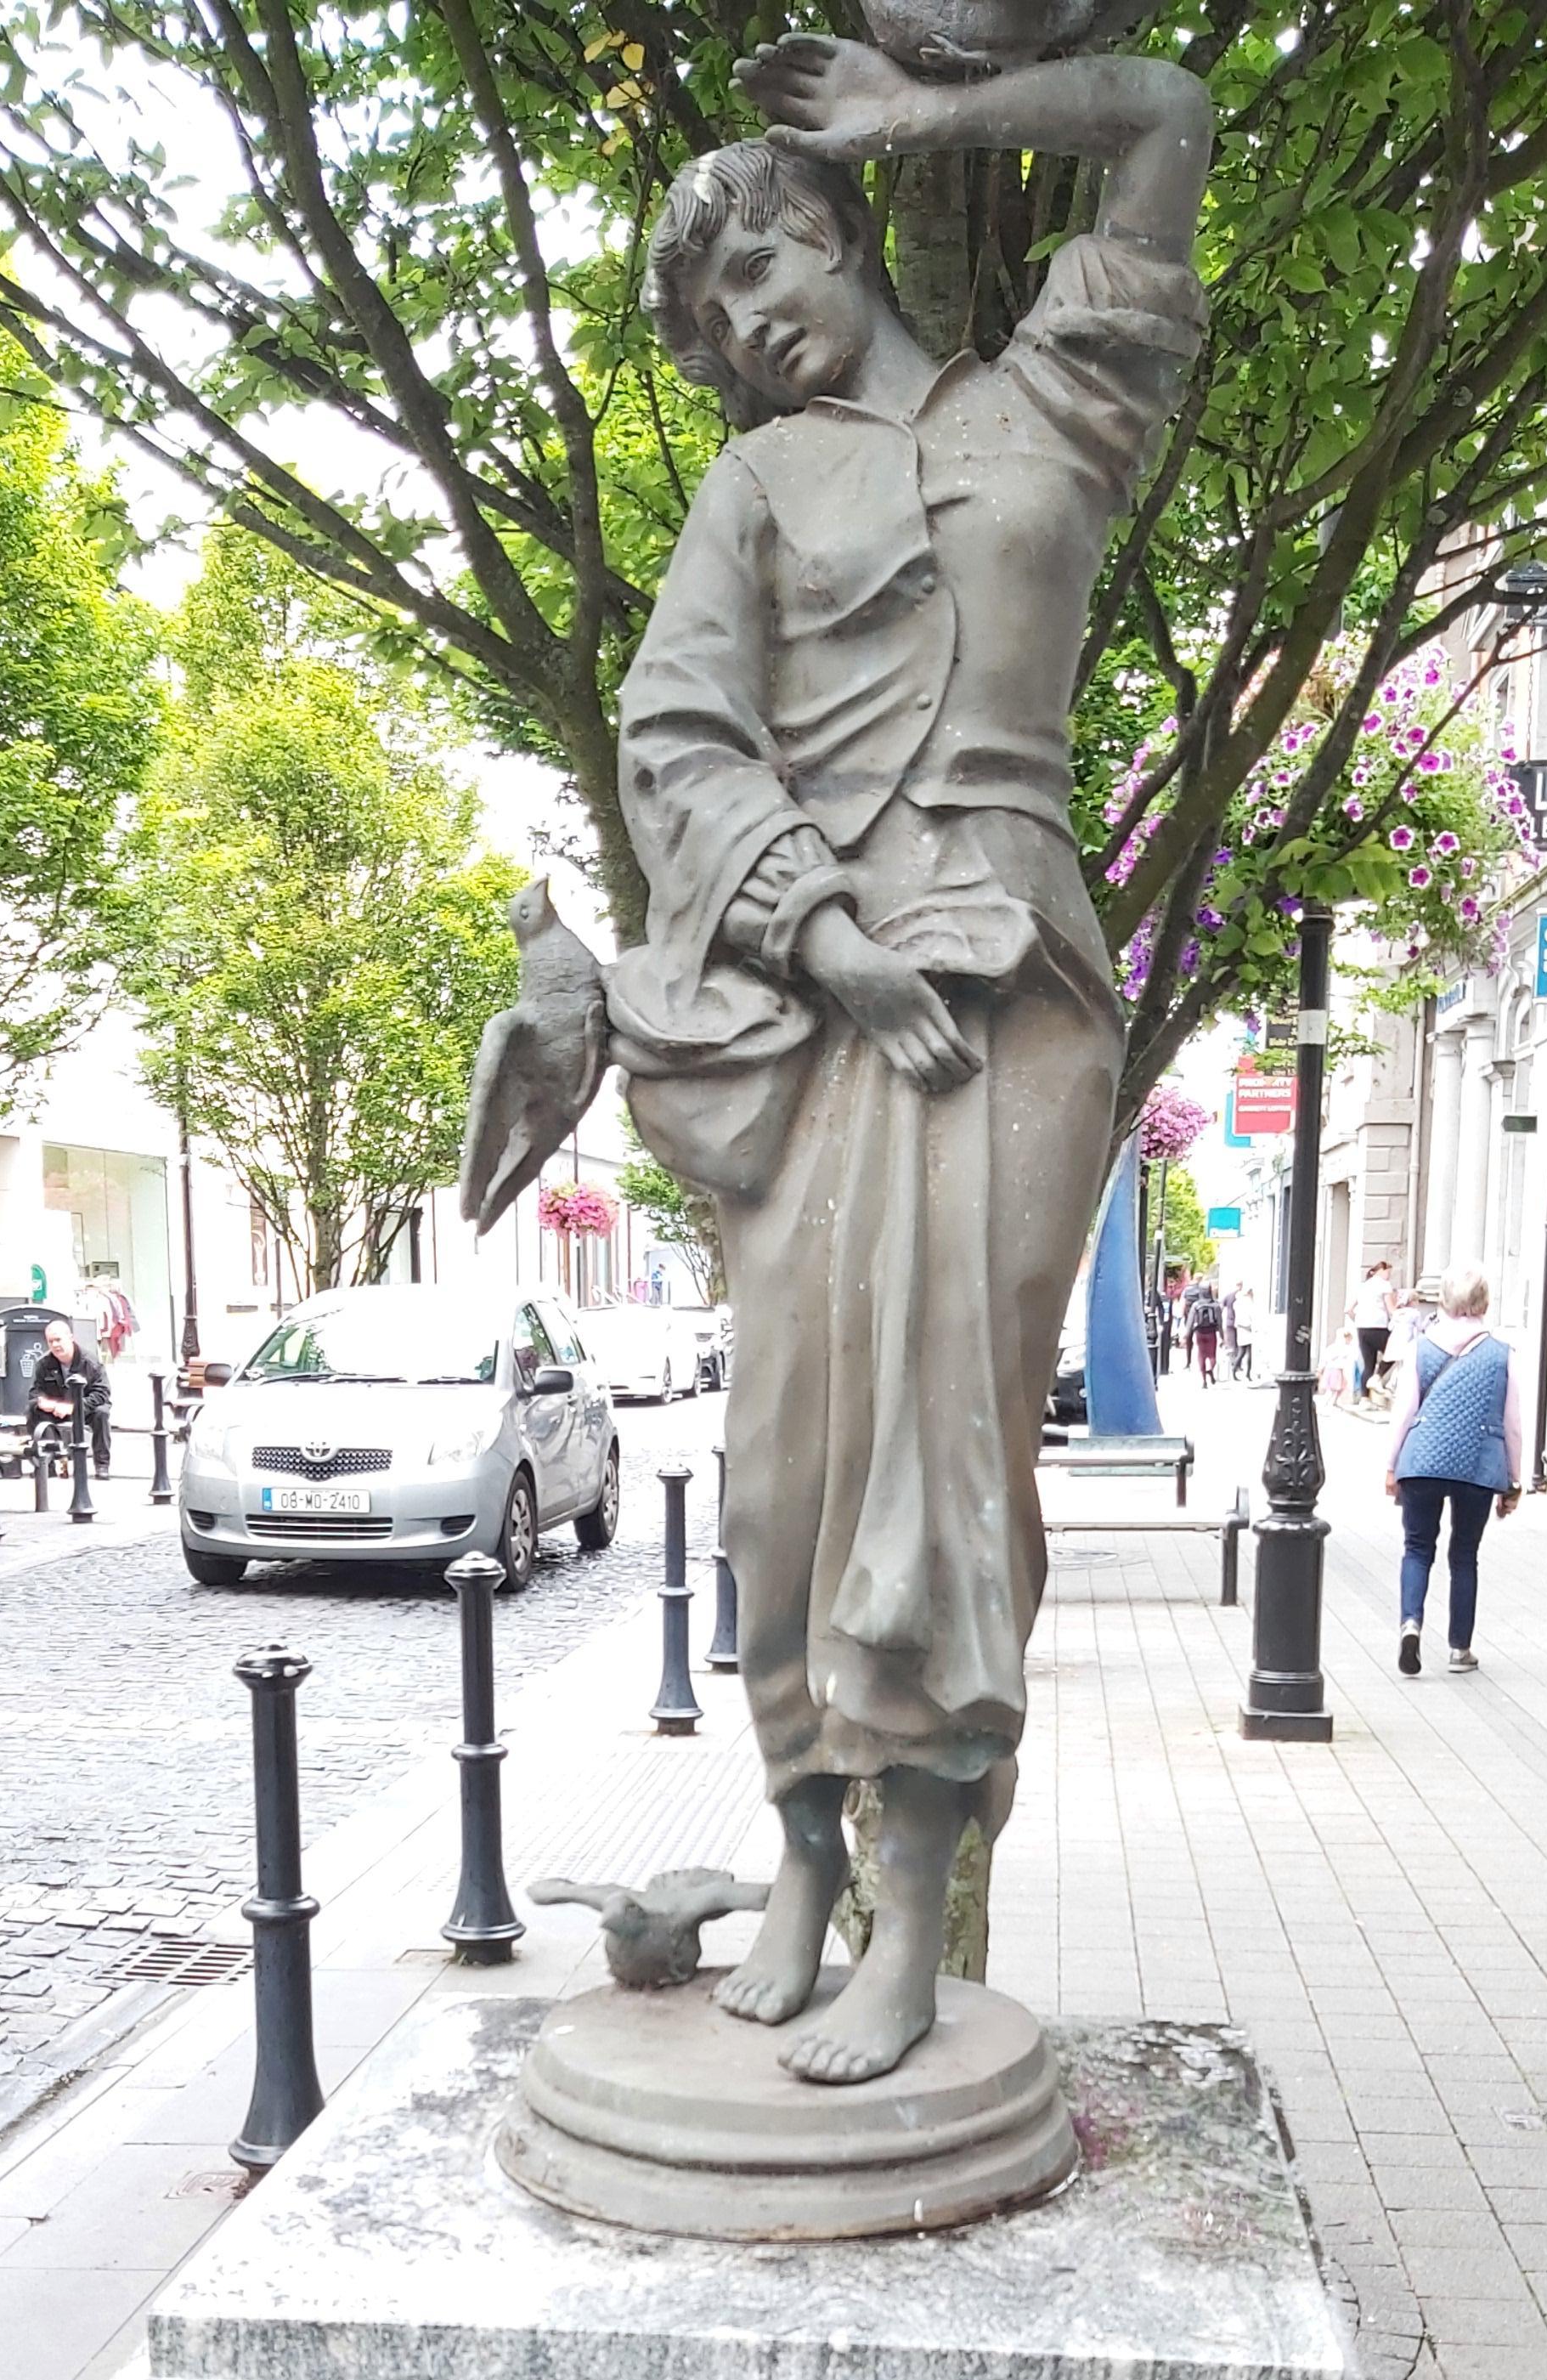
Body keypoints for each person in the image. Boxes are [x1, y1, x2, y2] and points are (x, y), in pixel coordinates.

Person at [607, 33, 1211, 2084]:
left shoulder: (1061, 403)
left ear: (826, 225)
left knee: (953, 1433)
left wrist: (930, 113)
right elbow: (673, 737)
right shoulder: (753, 488)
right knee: (787, 1466)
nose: (741, 336)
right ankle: (797, 1854)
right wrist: (825, 933)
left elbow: (1165, 119)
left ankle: (911, 1902)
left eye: (753, 279)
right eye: (707, 325)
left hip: (1019, 991)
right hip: (826, 994)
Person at [1386, 1264, 1523, 1676]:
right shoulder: (1502, 1354)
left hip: (1422, 1460)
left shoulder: (1420, 1349)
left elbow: (1404, 1411)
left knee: (1417, 1548)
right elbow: (1512, 1422)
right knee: (1464, 1554)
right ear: (1484, 1303)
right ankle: (1459, 1649)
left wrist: (1392, 1465)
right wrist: (1513, 1479)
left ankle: (1411, 1623)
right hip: (1479, 1464)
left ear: (1443, 1301)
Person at [25, 1317, 111, 1473]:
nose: (55, 1345)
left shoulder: (90, 1363)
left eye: (58, 1340)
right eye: (51, 1341)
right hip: (56, 1409)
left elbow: (102, 1393)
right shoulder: (44, 1363)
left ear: (70, 1338)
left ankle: (102, 1465)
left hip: (84, 1409)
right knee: (33, 1410)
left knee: (102, 1413)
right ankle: (46, 1463)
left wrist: (75, 1407)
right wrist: (45, 1403)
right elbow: (35, 1392)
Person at [1354, 1261, 1395, 1400]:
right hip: (1378, 1326)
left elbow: (1348, 1309)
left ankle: (1364, 1399)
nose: (1389, 1276)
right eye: (1389, 1272)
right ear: (1381, 1270)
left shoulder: (1363, 1286)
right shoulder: (1384, 1285)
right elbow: (1391, 1310)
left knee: (1368, 1364)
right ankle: (1378, 1377)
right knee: (1393, 1352)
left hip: (1362, 1327)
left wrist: (1358, 1320)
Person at [1188, 1275, 1221, 1385]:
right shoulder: (1215, 1305)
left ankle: (1204, 1381)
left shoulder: (1196, 1305)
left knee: (1201, 1355)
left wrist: (1188, 1335)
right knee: (1212, 1356)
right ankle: (1210, 1370)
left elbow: (1190, 1322)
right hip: (1211, 1333)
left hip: (1199, 1333)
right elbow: (1220, 1323)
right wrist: (1222, 1336)